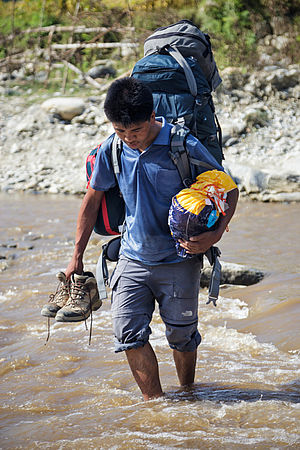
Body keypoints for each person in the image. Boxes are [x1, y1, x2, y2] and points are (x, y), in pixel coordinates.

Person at [63, 77, 239, 400]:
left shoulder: (182, 145)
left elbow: (229, 189)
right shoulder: (112, 149)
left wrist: (212, 236)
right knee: (128, 334)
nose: (129, 139)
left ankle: (187, 393)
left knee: (183, 339)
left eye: (136, 131)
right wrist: (76, 255)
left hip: (179, 260)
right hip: (131, 257)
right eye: (120, 131)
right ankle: (156, 406)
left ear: (153, 116)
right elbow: (91, 201)